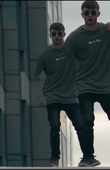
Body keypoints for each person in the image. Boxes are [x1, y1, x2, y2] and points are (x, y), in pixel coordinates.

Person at [65, 0, 110, 167]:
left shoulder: (107, 30)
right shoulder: (75, 37)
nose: (90, 16)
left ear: (98, 13)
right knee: (86, 122)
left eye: (93, 13)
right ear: (82, 14)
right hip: (84, 86)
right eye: (86, 13)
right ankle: (88, 157)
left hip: (106, 86)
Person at [34, 23, 95, 167]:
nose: (56, 37)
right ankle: (55, 158)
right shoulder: (44, 55)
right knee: (55, 127)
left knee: (80, 125)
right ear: (50, 35)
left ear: (64, 34)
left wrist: (81, 85)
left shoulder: (70, 52)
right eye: (54, 34)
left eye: (59, 34)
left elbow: (85, 59)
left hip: (70, 97)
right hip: (52, 96)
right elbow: (36, 75)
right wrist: (39, 96)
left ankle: (88, 156)